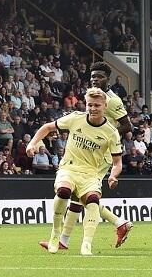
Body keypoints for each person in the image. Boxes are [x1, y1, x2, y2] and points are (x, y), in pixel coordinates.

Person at [27, 88, 123, 256]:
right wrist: (32, 143)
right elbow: (48, 127)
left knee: (93, 201)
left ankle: (86, 244)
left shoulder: (111, 133)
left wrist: (113, 175)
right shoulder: (75, 118)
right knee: (64, 191)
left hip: (90, 173)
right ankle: (55, 236)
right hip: (69, 168)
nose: (93, 109)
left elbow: (117, 163)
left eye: (97, 106)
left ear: (105, 106)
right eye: (90, 105)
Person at [48, 61, 133, 251]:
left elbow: (128, 126)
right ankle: (117, 223)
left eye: (99, 76)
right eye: (93, 76)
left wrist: (105, 138)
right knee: (80, 196)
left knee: (83, 195)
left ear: (108, 79)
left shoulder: (112, 100)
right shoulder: (95, 98)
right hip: (89, 151)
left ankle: (65, 240)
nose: (95, 80)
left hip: (99, 155)